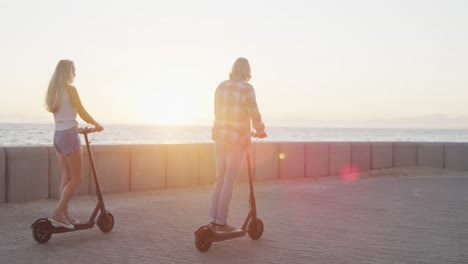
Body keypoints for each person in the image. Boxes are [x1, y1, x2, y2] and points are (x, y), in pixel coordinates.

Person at [209, 57, 267, 232]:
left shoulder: (221, 86)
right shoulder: (247, 89)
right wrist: (260, 129)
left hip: (220, 136)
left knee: (219, 179)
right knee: (229, 180)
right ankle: (221, 222)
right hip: (236, 139)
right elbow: (253, 112)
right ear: (247, 72)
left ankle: (213, 219)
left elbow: (216, 112)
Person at [45, 60, 103, 229]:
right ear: (67, 72)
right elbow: (82, 111)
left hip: (58, 136)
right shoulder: (71, 90)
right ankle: (58, 213)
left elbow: (62, 116)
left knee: (66, 176)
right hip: (69, 135)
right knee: (77, 178)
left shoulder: (53, 91)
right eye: (73, 70)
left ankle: (65, 214)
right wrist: (96, 124)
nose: (75, 74)